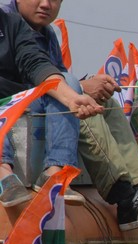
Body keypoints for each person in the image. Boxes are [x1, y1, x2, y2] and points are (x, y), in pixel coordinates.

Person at [2, 0, 138, 231]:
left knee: (105, 103)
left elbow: (40, 68)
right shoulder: (9, 20)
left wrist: (81, 88)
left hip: (44, 101)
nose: (46, 4)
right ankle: (124, 196)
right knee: (81, 99)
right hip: (17, 109)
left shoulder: (42, 32)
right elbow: (21, 83)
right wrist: (79, 90)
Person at [0, 3, 102, 207]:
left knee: (67, 80)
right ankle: (4, 174)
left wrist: (71, 98)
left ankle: (56, 171)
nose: (46, 4)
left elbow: (35, 63)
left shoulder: (11, 22)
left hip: (17, 103)